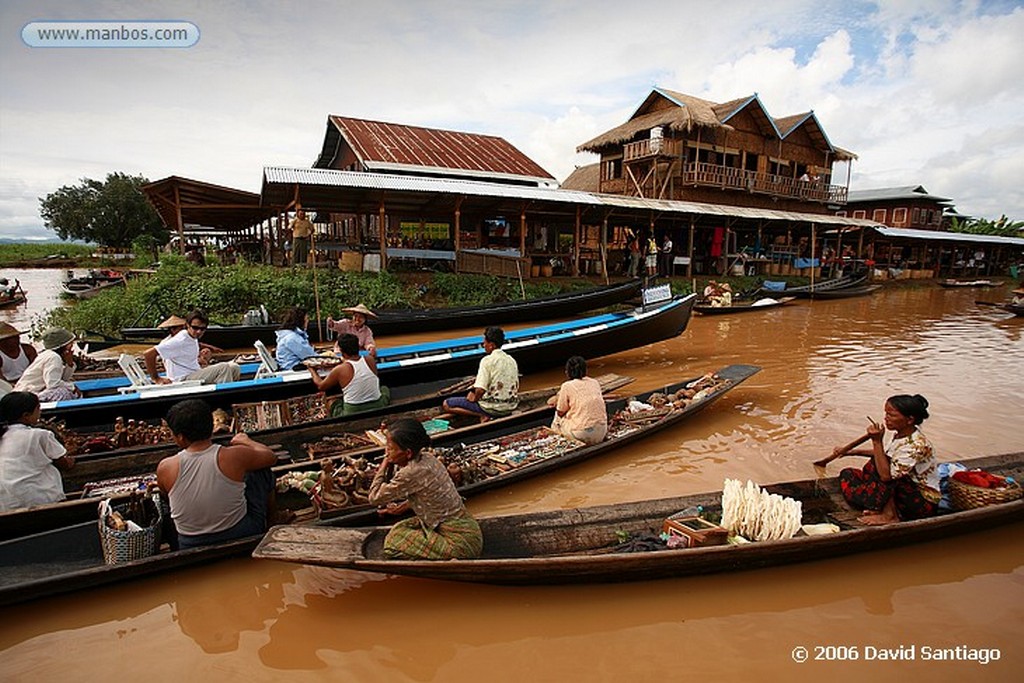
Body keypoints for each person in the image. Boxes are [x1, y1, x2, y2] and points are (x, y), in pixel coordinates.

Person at [156, 398, 279, 549]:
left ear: (180, 437)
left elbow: (166, 495)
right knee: (261, 471)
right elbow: (270, 456)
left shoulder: (165, 467)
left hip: (189, 543)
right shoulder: (234, 456)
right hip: (240, 533)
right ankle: (273, 523)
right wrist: (246, 440)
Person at [368, 417, 483, 560]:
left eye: (390, 449)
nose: (387, 452)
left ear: (408, 453)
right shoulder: (428, 458)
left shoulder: (411, 472)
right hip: (467, 526)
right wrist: (401, 508)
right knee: (400, 527)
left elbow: (374, 498)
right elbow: (430, 495)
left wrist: (384, 464)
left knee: (393, 542)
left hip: (459, 544)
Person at [833, 395, 940, 526]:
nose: (886, 418)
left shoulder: (917, 445)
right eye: (886, 414)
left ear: (910, 419)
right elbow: (885, 454)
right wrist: (851, 452)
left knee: (878, 467)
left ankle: (890, 515)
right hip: (895, 493)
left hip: (919, 502)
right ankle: (878, 507)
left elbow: (886, 476)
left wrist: (877, 441)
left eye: (891, 415)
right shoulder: (901, 434)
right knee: (847, 474)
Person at [0, 391, 75, 511]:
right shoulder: (41, 435)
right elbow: (64, 463)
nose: (40, 412)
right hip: (37, 498)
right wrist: (70, 462)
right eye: (38, 409)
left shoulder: (3, 435)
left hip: (5, 502)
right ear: (26, 415)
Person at [442, 326, 519, 422]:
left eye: (484, 343)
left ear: (491, 345)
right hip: (511, 406)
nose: (483, 345)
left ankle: (482, 414)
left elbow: (480, 390)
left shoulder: (487, 360)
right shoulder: (511, 360)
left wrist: (475, 399)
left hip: (491, 408)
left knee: (447, 404)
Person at [144, 309, 241, 385]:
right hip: (183, 378)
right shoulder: (178, 340)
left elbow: (193, 344)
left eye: (202, 329)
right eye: (195, 328)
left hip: (195, 372)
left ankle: (229, 389)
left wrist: (211, 348)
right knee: (223, 368)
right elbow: (149, 354)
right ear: (187, 326)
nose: (198, 331)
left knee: (234, 367)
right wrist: (156, 378)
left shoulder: (189, 336)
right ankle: (224, 398)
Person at [307, 333, 390, 417]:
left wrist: (312, 370)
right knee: (384, 389)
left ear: (342, 351)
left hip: (352, 411)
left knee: (331, 401)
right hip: (378, 405)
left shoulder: (340, 369)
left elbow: (321, 386)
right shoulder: (370, 359)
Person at [548, 356, 608, 445]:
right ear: (586, 371)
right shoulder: (594, 382)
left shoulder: (566, 386)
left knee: (557, 417)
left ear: (567, 372)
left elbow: (560, 412)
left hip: (580, 434)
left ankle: (557, 439)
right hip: (601, 431)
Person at [14, 327, 80, 402]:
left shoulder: (52, 356)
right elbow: (53, 384)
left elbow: (63, 379)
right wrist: (72, 387)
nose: (72, 345)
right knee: (63, 393)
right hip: (27, 394)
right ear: (64, 344)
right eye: (70, 343)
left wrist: (69, 364)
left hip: (34, 392)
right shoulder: (53, 357)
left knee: (67, 389)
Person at [275, 306, 317, 371]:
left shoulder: (288, 335)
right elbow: (311, 357)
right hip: (293, 370)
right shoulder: (293, 338)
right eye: (307, 319)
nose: (308, 321)